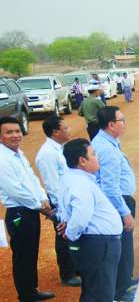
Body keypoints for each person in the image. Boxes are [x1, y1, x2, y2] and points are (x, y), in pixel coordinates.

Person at [59, 139, 122, 302]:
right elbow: (81, 215)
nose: (97, 158)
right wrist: (71, 234)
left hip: (93, 243)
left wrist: (71, 232)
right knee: (100, 292)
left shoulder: (74, 179)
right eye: (93, 154)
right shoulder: (80, 184)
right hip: (97, 244)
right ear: (82, 161)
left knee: (92, 291)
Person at [0, 117, 56, 302]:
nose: (15, 135)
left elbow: (32, 180)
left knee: (31, 253)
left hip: (31, 210)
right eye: (9, 132)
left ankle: (32, 290)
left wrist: (43, 198)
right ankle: (27, 300)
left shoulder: (18, 154)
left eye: (17, 131)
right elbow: (15, 191)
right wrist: (40, 206)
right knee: (23, 256)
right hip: (19, 213)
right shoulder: (2, 159)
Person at [92, 107, 137, 302]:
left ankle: (125, 280)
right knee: (122, 246)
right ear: (111, 125)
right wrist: (125, 212)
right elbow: (110, 187)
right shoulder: (107, 149)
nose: (125, 123)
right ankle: (120, 291)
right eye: (122, 120)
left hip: (120, 201)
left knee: (124, 245)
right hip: (118, 203)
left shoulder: (108, 143)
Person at [35, 115, 80, 286]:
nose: (69, 130)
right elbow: (52, 184)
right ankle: (67, 274)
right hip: (60, 202)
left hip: (68, 199)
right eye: (65, 128)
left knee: (72, 233)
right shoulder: (47, 154)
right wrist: (60, 209)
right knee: (63, 236)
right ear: (55, 132)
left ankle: (75, 268)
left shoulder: (58, 149)